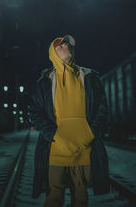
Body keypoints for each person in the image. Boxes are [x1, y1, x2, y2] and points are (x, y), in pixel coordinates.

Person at [29, 35, 110, 207]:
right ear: (53, 52)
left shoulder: (89, 77)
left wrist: (90, 134)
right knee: (54, 198)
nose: (66, 46)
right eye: (61, 44)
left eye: (69, 45)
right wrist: (53, 135)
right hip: (56, 152)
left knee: (81, 197)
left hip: (83, 150)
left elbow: (102, 108)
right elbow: (35, 112)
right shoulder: (44, 82)